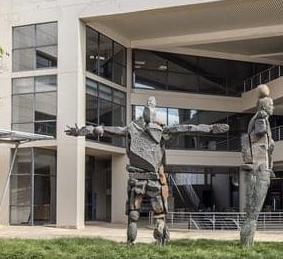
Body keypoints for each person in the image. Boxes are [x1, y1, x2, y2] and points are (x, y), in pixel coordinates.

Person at [66, 97, 227, 244]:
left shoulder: (136, 130)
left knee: (136, 215)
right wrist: (211, 128)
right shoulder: (149, 130)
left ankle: (136, 242)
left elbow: (103, 130)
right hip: (150, 178)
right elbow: (188, 128)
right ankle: (154, 238)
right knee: (156, 215)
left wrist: (82, 131)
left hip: (140, 178)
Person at [240, 85, 274, 246]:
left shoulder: (258, 119)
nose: (273, 107)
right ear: (264, 105)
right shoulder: (261, 118)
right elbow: (260, 142)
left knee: (251, 214)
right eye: (271, 104)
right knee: (253, 214)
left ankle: (247, 244)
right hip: (259, 170)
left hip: (259, 169)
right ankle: (246, 245)